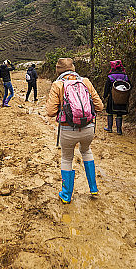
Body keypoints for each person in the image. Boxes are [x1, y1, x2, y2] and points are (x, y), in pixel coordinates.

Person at [45, 58, 104, 203]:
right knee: (86, 151)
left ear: (58, 71)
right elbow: (100, 107)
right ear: (73, 68)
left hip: (68, 130)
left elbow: (50, 112)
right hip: (88, 128)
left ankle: (66, 195)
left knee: (66, 158)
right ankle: (93, 187)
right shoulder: (85, 81)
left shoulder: (58, 85)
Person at [102, 60, 129, 134]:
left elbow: (107, 88)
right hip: (122, 98)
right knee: (119, 113)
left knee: (110, 112)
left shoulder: (110, 76)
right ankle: (119, 130)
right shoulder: (125, 76)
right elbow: (129, 86)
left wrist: (104, 96)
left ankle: (109, 128)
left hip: (112, 97)